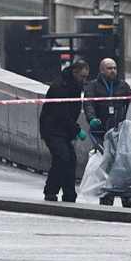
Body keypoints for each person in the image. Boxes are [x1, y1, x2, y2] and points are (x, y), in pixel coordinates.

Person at [83, 57, 131, 205]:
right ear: (101, 70)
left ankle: (126, 193)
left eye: (115, 68)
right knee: (106, 162)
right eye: (109, 68)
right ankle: (106, 193)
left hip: (120, 132)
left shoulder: (123, 86)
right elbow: (88, 104)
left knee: (124, 162)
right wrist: (92, 119)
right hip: (102, 131)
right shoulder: (93, 86)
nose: (113, 71)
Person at [38, 59, 90, 202]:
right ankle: (51, 191)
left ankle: (69, 194)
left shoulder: (75, 85)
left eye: (86, 77)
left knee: (70, 159)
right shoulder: (60, 87)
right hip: (52, 129)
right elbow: (62, 113)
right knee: (62, 157)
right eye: (82, 76)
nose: (84, 80)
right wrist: (77, 130)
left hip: (63, 129)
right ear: (74, 72)